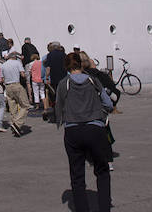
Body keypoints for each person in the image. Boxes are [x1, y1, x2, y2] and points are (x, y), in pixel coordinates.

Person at [56, 52, 113, 212]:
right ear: (81, 64)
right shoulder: (92, 80)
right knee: (102, 171)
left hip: (73, 131)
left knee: (77, 175)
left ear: (66, 66)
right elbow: (108, 104)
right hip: (95, 128)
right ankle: (104, 208)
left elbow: (58, 110)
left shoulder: (63, 84)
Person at [0, 51, 30, 137]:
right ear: (15, 57)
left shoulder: (3, 65)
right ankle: (17, 123)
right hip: (16, 84)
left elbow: (1, 79)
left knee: (12, 107)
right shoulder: (17, 63)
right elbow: (23, 74)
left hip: (8, 86)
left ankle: (14, 124)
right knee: (25, 105)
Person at [43, 42, 66, 122]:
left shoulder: (50, 55)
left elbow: (48, 68)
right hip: (63, 78)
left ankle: (57, 115)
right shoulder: (64, 54)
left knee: (55, 97)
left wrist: (46, 77)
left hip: (54, 79)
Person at [21, 37, 40, 103]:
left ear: (24, 41)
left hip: (28, 64)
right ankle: (37, 98)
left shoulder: (24, 46)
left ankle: (30, 98)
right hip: (36, 63)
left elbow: (23, 57)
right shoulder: (33, 46)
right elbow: (38, 55)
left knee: (28, 82)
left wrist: (22, 65)